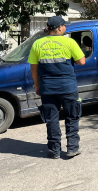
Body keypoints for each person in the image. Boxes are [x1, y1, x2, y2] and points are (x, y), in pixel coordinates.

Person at [28, 16, 86, 159]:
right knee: (72, 116)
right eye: (65, 26)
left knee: (51, 119)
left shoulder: (37, 44)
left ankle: (54, 150)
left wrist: (37, 85)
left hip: (47, 88)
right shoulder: (69, 42)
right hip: (68, 87)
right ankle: (72, 148)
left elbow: (33, 69)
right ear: (60, 27)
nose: (65, 28)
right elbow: (82, 62)